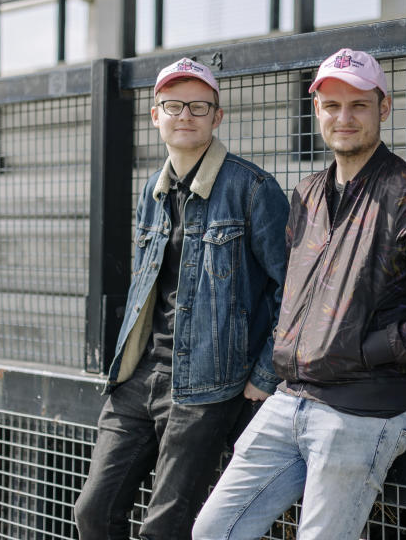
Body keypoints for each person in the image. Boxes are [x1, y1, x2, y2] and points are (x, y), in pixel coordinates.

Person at [193, 48, 406, 540]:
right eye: (332, 105)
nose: (343, 117)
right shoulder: (307, 193)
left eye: (358, 105)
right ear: (317, 112)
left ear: (383, 109)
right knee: (213, 531)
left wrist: (372, 350)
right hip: (290, 400)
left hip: (362, 411)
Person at [74, 57, 289, 540]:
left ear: (217, 116)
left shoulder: (252, 189)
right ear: (156, 116)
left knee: (164, 528)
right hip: (137, 375)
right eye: (173, 105)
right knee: (93, 512)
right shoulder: (152, 189)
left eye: (198, 106)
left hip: (208, 384)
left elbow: (293, 290)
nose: (185, 115)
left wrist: (264, 374)